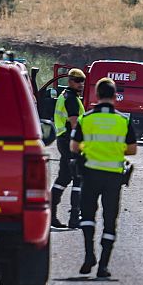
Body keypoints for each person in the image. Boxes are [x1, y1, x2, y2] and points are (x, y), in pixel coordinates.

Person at [71, 78, 137, 278]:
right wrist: (115, 149)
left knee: (88, 216)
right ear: (115, 96)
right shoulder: (123, 120)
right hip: (113, 178)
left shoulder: (86, 119)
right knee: (110, 220)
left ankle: (89, 255)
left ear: (97, 95)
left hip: (90, 174)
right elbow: (132, 150)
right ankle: (103, 266)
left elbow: (74, 147)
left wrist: (89, 148)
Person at [50, 68, 86, 229]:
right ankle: (74, 217)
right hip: (70, 142)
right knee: (78, 179)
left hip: (63, 140)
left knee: (63, 178)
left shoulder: (64, 95)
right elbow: (74, 123)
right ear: (70, 81)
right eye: (78, 81)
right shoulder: (71, 98)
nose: (81, 84)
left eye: (83, 81)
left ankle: (50, 214)